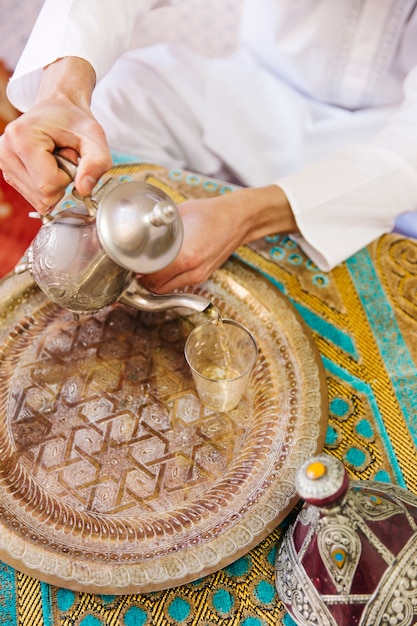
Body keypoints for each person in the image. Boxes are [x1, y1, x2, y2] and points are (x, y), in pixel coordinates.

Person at [1, 0, 417, 295]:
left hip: (383, 142)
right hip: (258, 90)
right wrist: (62, 94)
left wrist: (245, 216)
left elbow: (407, 152)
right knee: (120, 97)